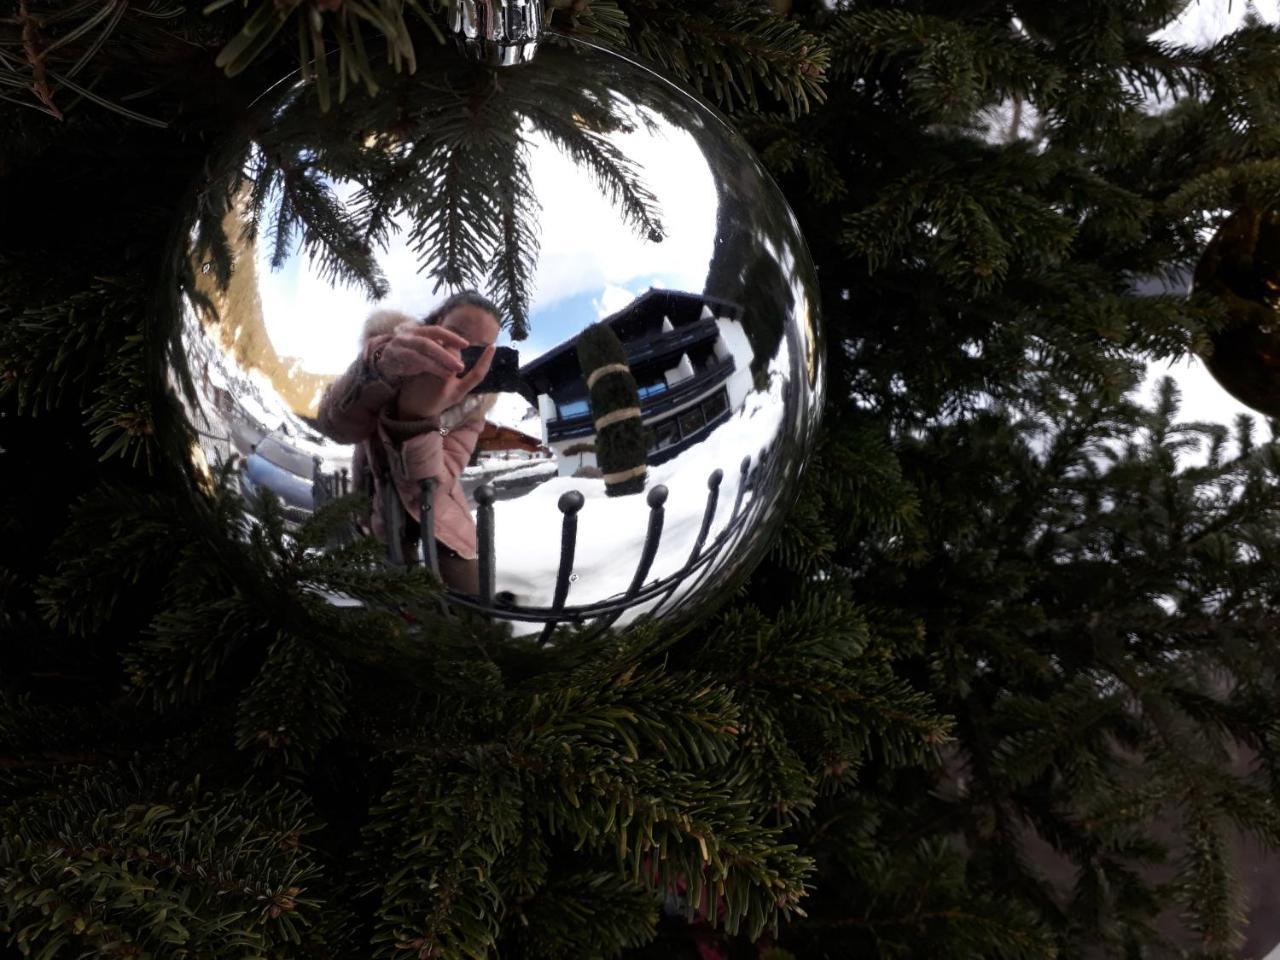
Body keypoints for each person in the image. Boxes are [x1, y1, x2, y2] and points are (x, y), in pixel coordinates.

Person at [316, 291, 501, 594]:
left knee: (471, 601)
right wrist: (381, 369)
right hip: (380, 513)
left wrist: (419, 418)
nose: (460, 353)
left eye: (478, 351)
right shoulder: (389, 352)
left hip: (439, 514)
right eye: (454, 335)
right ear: (435, 322)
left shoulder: (473, 407)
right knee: (402, 597)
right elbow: (336, 426)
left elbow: (438, 476)